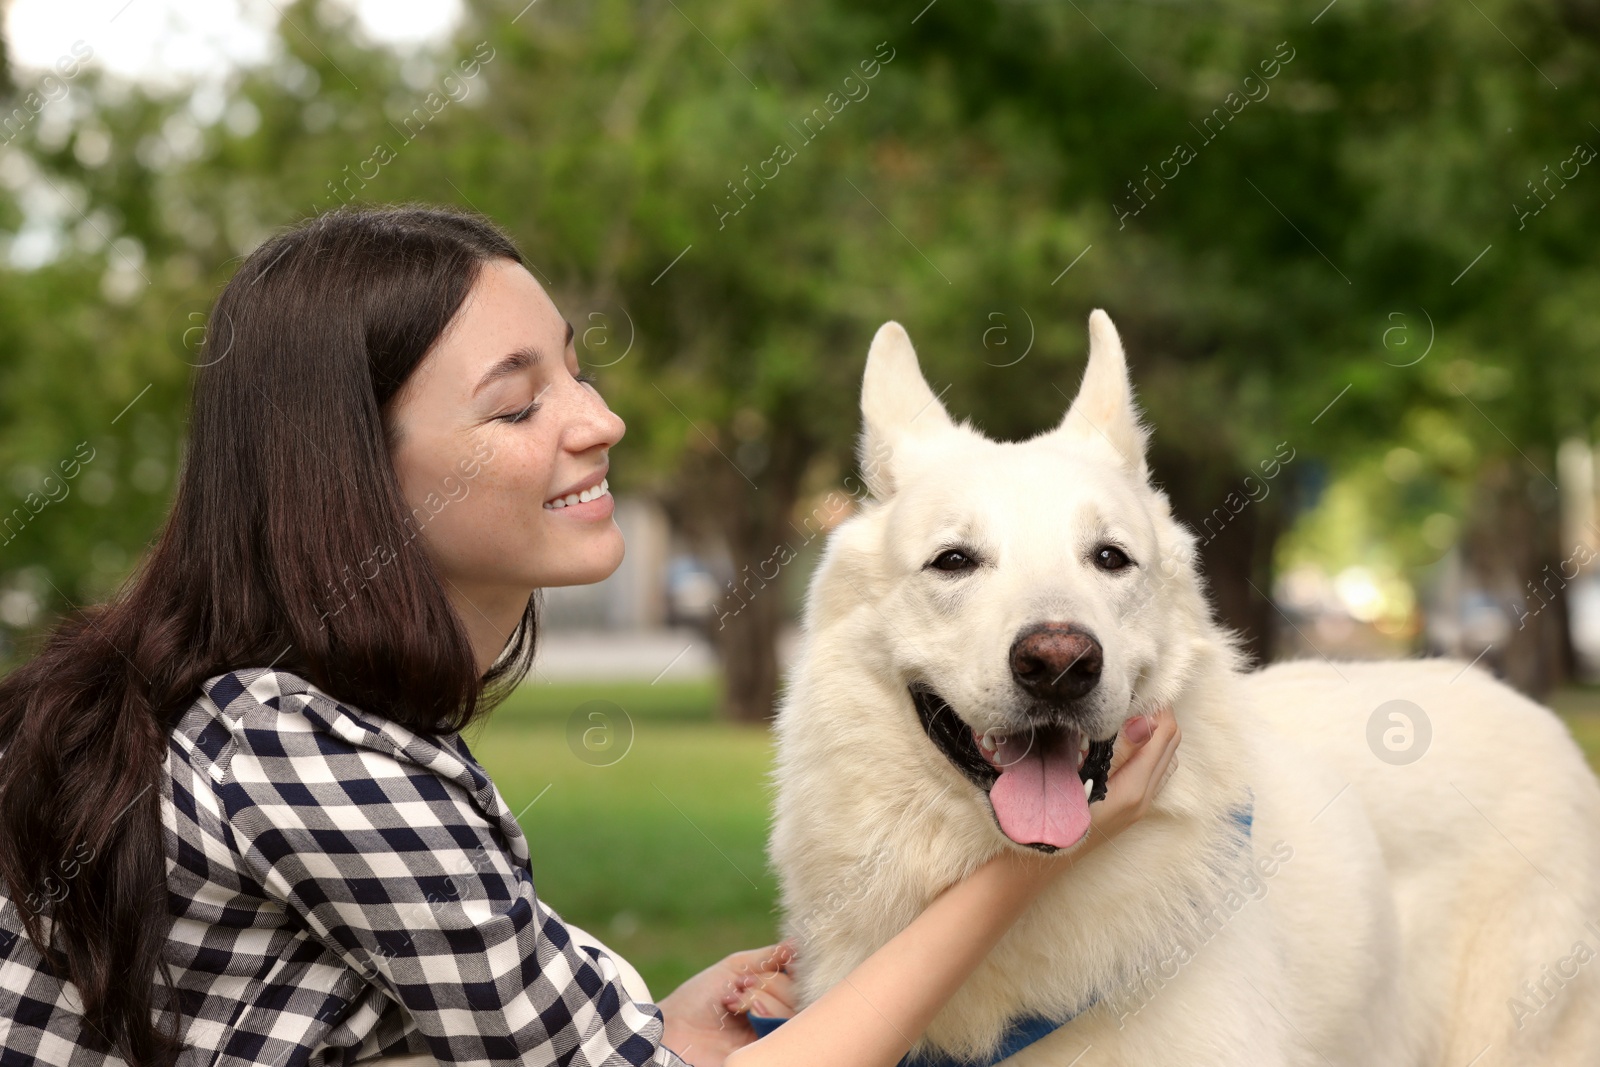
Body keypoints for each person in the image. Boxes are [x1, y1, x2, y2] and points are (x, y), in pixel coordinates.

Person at [0, 206, 1181, 1067]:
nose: (600, 421)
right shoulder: (306, 754)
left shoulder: (308, 726)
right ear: (352, 474)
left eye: (576, 371)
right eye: (517, 404)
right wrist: (1040, 863)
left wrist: (649, 1025)